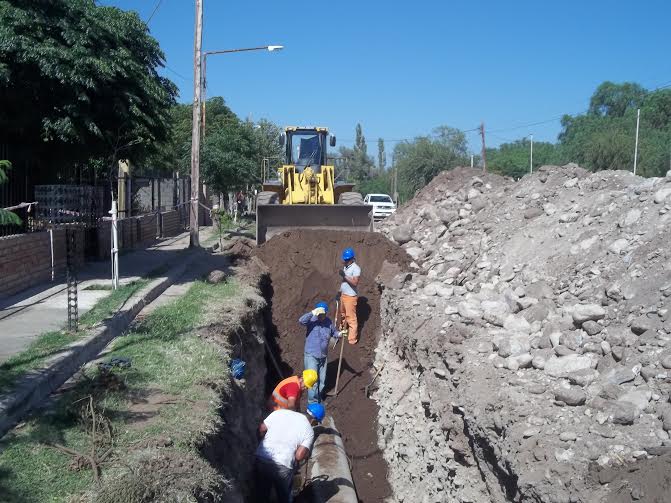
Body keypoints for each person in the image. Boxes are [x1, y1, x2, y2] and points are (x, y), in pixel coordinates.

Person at [254, 403, 326, 502]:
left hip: (261, 458)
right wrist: (305, 455)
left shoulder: (279, 413)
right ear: (314, 420)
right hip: (283, 466)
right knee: (284, 498)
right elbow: (299, 456)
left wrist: (262, 445)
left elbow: (261, 429)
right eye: (316, 423)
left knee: (261, 495)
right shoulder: (309, 431)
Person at [299, 301, 342, 404]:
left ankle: (318, 398)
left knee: (322, 380)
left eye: (323, 314)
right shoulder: (311, 320)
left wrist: (339, 334)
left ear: (326, 313)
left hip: (323, 356)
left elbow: (333, 332)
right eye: (320, 313)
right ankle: (312, 403)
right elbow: (301, 321)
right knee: (312, 380)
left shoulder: (328, 322)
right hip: (311, 355)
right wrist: (312, 312)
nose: (322, 316)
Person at [338, 247, 361, 344]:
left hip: (350, 297)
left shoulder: (356, 268)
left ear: (352, 259)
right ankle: (343, 330)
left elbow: (355, 282)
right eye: (345, 259)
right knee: (343, 314)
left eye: (347, 259)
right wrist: (339, 291)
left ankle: (352, 339)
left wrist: (344, 276)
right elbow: (344, 282)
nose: (345, 261)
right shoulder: (346, 266)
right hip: (343, 294)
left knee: (351, 318)